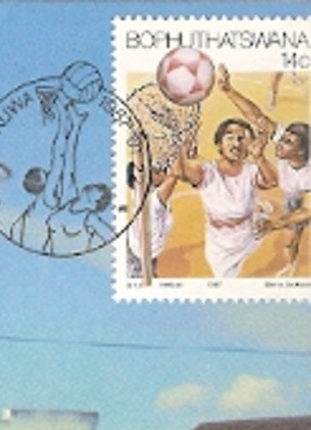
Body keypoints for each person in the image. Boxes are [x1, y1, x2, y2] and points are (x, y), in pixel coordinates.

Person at [216, 65, 309, 276]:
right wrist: (228, 90)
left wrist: (275, 223)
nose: (279, 143)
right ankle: (291, 266)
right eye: (283, 138)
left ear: (302, 151)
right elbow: (256, 116)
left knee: (292, 226)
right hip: (294, 193)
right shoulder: (291, 142)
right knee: (290, 241)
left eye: (287, 142)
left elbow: (307, 211)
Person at [179, 116, 277, 277]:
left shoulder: (251, 170)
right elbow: (182, 173)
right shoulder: (207, 172)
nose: (236, 143)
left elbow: (272, 181)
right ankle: (260, 207)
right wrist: (182, 148)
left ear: (250, 145)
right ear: (219, 144)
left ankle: (259, 209)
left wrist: (259, 157)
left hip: (249, 234)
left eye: (242, 138)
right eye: (230, 137)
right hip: (220, 243)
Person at [125, 160, 178, 279]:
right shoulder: (152, 202)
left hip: (139, 246)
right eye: (153, 170)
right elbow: (173, 176)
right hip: (136, 257)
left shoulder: (140, 190)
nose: (158, 170)